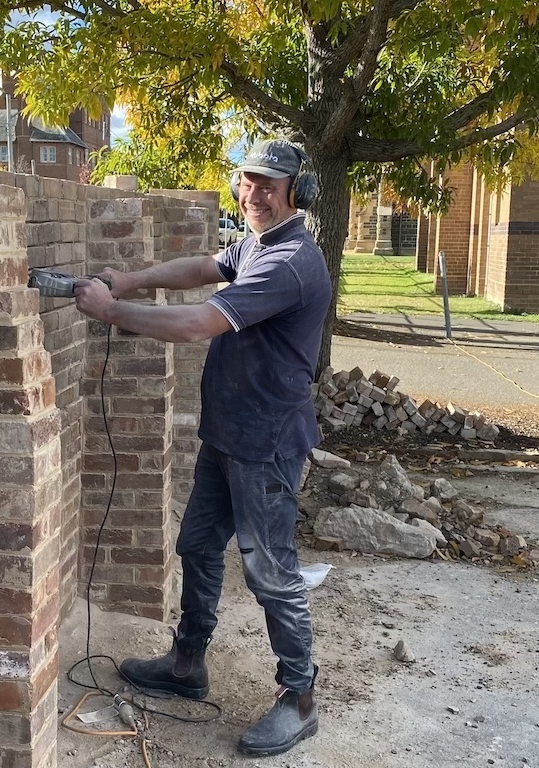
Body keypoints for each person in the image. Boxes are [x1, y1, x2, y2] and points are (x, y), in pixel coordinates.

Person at [73, 139, 331, 757]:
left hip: (266, 442)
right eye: (248, 182)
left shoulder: (290, 260)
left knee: (270, 573)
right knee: (196, 545)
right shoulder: (258, 245)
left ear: (297, 191)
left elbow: (195, 323)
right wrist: (135, 277)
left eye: (270, 184)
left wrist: (114, 310)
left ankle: (299, 698)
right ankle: (188, 663)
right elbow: (204, 268)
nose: (256, 194)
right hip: (229, 433)